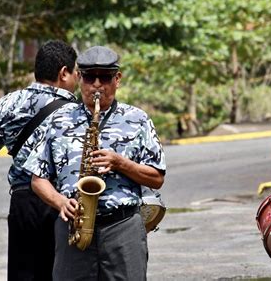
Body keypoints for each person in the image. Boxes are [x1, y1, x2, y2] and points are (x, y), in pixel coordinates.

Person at [23, 45, 166, 280]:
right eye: (90, 77)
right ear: (79, 77)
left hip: (123, 228)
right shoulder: (58, 120)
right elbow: (38, 179)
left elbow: (157, 178)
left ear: (117, 79)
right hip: (73, 226)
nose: (97, 84)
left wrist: (121, 163)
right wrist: (60, 202)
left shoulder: (138, 120)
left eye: (105, 77)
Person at [0, 40, 79, 280]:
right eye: (76, 73)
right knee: (63, 272)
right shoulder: (76, 110)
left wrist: (2, 115)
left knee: (25, 274)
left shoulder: (9, 103)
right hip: (64, 203)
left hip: (24, 204)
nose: (78, 78)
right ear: (64, 73)